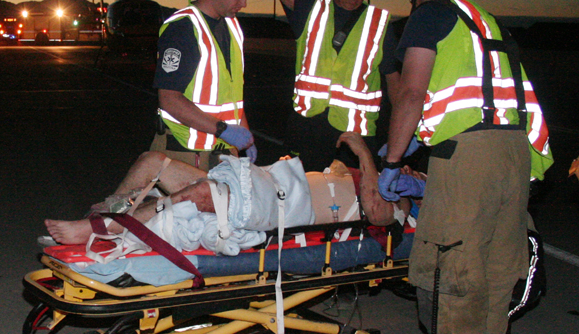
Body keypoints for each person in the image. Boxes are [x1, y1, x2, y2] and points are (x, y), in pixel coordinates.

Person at [378, 0, 553, 334]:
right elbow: (481, 94)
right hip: (516, 153)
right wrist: (422, 135)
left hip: (470, 159)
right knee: (498, 264)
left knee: (453, 266)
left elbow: (413, 92)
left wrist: (394, 159)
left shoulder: (430, 13)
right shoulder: (488, 23)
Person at [44, 132, 421, 248]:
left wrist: (365, 154)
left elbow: (378, 215)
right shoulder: (376, 177)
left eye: (413, 173)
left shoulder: (397, 196)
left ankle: (107, 228)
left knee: (204, 192)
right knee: (151, 162)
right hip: (273, 187)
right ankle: (99, 218)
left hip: (291, 215)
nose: (405, 168)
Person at [265, 0, 399, 172]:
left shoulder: (379, 24)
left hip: (353, 137)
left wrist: (399, 137)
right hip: (306, 128)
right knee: (301, 199)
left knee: (352, 204)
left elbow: (395, 84)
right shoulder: (310, 7)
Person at [150, 0, 258, 172]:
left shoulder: (232, 27)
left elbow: (232, 93)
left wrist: (244, 138)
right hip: (184, 153)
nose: (244, 3)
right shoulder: (183, 28)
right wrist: (223, 130)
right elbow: (169, 99)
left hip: (223, 151)